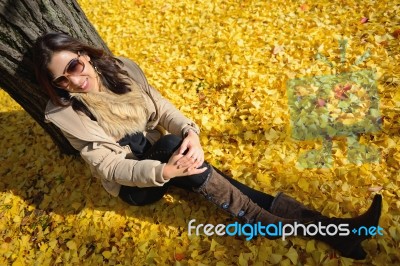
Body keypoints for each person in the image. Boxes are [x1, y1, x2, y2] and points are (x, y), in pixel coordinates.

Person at [32, 32, 382, 260]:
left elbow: (163, 108)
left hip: (160, 155)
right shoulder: (67, 114)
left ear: (84, 54)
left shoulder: (120, 70)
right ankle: (303, 228)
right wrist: (164, 170)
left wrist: (191, 133)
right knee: (175, 149)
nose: (76, 81)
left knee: (203, 166)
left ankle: (332, 231)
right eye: (63, 79)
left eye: (75, 66)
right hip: (134, 184)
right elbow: (109, 168)